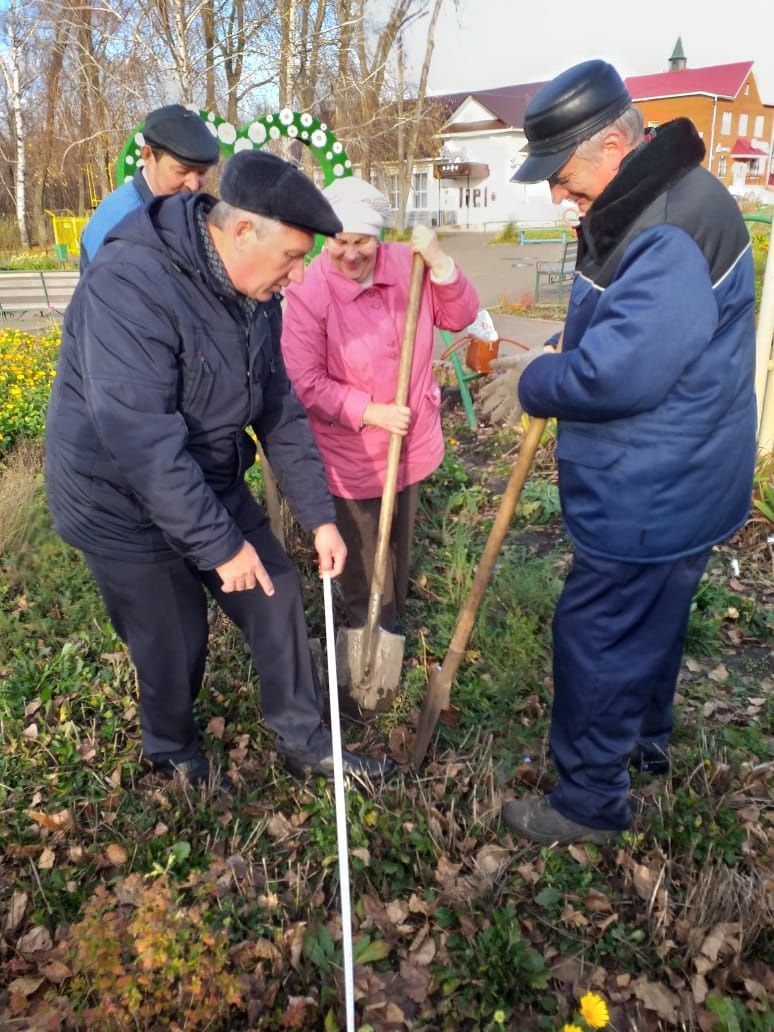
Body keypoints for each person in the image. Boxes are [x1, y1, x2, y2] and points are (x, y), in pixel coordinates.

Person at [46, 150, 396, 788]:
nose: (296, 277)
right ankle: (173, 749)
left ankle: (304, 738)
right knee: (175, 637)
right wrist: (219, 546)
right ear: (241, 233)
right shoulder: (130, 281)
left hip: (204, 472)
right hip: (116, 496)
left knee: (277, 593)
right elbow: (143, 442)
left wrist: (319, 517)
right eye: (292, 257)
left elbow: (280, 408)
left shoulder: (256, 293)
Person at [495, 60, 756, 844]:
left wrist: (538, 382)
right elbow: (634, 326)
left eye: (564, 174)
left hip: (650, 487)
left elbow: (624, 372)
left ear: (614, 145)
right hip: (687, 476)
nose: (556, 194)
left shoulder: (669, 224)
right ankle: (642, 742)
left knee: (600, 634)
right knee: (653, 622)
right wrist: (563, 340)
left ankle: (589, 803)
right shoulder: (658, 199)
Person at [281, 176, 479, 634]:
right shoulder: (311, 291)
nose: (350, 254)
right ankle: (369, 633)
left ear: (381, 236)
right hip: (350, 455)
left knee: (396, 549)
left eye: (363, 242)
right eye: (339, 242)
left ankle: (393, 624)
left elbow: (461, 316)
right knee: (362, 558)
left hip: (409, 443)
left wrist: (440, 262)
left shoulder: (409, 267)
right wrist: (370, 411)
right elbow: (305, 381)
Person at [79, 104, 221, 269]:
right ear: (148, 156)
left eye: (201, 173)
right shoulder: (122, 225)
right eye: (182, 171)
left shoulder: (169, 206)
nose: (194, 184)